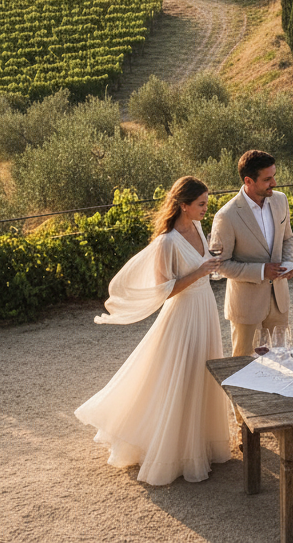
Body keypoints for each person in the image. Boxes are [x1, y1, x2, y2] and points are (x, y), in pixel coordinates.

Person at [74, 176, 232, 486]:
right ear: (183, 205)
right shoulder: (166, 242)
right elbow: (164, 291)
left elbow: (205, 264)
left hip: (205, 310)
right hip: (183, 314)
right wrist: (200, 271)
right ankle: (171, 449)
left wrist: (210, 265)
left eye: (207, 204)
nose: (205, 209)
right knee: (179, 375)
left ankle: (201, 443)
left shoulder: (200, 228)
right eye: (201, 204)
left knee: (204, 373)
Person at [210, 149, 293, 358]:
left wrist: (288, 263)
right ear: (248, 181)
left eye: (274, 176)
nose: (274, 183)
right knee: (245, 368)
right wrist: (260, 271)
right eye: (268, 179)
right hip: (246, 308)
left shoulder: (280, 200)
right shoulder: (226, 216)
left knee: (281, 362)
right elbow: (220, 264)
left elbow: (288, 238)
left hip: (279, 302)